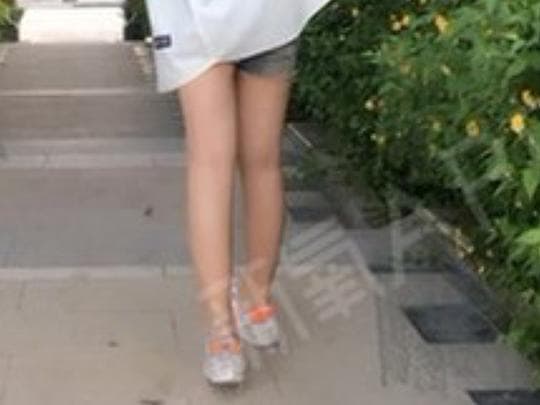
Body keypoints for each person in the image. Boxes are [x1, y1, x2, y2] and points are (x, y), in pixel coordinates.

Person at [144, 0, 333, 386]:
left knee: (211, 165)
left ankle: (223, 334)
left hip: (194, 19)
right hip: (269, 14)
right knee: (261, 161)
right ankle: (255, 304)